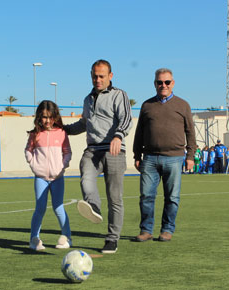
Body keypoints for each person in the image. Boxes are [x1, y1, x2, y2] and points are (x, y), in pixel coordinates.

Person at [64, 59, 133, 254]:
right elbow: (84, 123)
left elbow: (126, 119)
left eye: (102, 76)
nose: (98, 79)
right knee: (86, 176)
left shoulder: (119, 95)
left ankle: (112, 239)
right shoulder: (88, 99)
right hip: (93, 150)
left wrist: (118, 136)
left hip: (114, 150)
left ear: (110, 76)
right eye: (95, 76)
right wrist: (63, 129)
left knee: (115, 198)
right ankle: (93, 206)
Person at [133, 68, 196, 242]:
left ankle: (167, 230)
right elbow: (139, 133)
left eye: (167, 82)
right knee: (146, 196)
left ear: (172, 83)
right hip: (150, 158)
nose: (163, 85)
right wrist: (137, 155)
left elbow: (190, 132)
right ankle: (146, 230)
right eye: (160, 82)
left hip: (175, 158)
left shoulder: (183, 105)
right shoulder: (147, 105)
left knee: (172, 197)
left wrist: (190, 156)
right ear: (155, 84)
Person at [25, 100, 72, 251]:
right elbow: (28, 151)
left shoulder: (62, 133)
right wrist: (34, 165)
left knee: (58, 208)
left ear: (55, 117)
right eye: (44, 117)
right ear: (39, 117)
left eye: (50, 117)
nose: (47, 120)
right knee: (40, 209)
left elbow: (67, 152)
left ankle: (67, 237)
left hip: (58, 178)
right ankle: (34, 239)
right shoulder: (35, 134)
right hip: (41, 178)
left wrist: (62, 166)